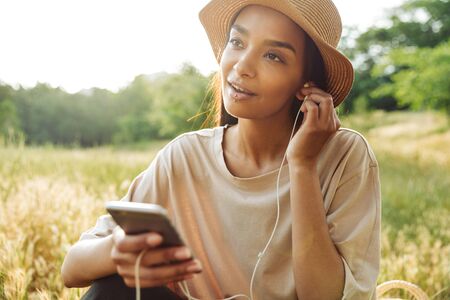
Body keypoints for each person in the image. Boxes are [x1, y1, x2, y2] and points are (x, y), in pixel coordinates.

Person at [61, 0, 381, 299]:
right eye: (237, 42)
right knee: (112, 287)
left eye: (273, 56)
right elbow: (72, 269)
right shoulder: (184, 157)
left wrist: (302, 165)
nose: (242, 66)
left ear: (306, 84)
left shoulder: (345, 155)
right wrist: (118, 248)